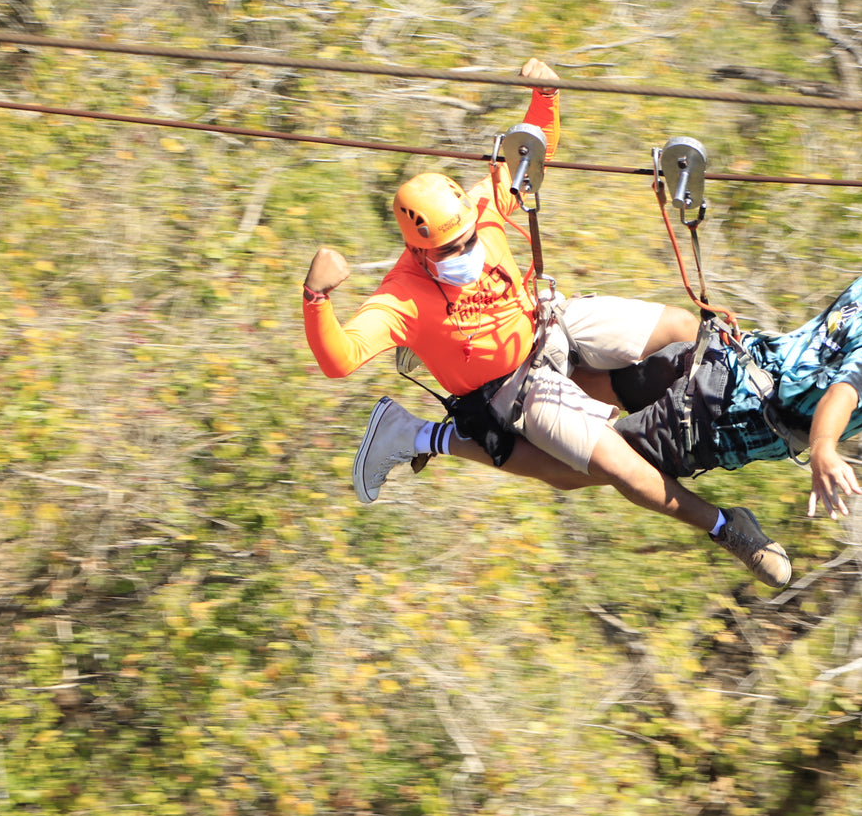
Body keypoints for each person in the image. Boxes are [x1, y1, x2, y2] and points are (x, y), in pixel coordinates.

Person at [300, 58, 793, 588]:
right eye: (450, 250)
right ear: (418, 252)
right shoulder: (403, 297)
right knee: (616, 465)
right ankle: (727, 528)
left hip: (548, 326)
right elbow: (340, 359)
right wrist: (317, 297)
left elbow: (533, 150)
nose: (467, 251)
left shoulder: (483, 210)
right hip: (512, 390)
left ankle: (771, 370)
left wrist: (546, 94)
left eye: (468, 239)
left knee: (680, 327)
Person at [608, 134, 862, 519]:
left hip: (727, 361)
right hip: (725, 418)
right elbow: (844, 392)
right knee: (591, 457)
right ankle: (721, 526)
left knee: (600, 391)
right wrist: (823, 449)